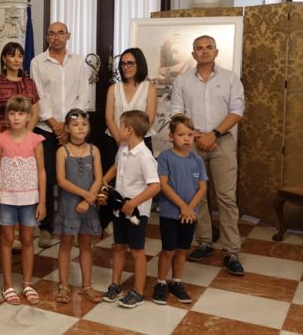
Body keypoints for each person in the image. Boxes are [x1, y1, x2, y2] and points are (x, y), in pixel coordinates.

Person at [171, 35, 245, 276]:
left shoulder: (230, 79)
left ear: (216, 51)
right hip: (191, 144)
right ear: (193, 54)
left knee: (226, 198)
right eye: (199, 49)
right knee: (197, 196)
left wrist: (213, 134)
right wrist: (197, 136)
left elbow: (237, 111)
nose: (204, 52)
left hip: (222, 143)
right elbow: (177, 114)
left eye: (208, 48)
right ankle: (204, 242)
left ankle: (231, 250)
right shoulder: (182, 81)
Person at [30, 22, 89, 248]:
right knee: (46, 179)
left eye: (60, 33)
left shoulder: (78, 62)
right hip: (46, 129)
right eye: (51, 33)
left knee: (73, 180)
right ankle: (46, 228)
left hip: (74, 130)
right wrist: (56, 126)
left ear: (68, 36)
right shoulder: (38, 62)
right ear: (47, 37)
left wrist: (70, 124)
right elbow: (38, 96)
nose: (56, 37)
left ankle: (71, 228)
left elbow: (83, 95)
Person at [0, 96, 46, 306]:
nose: (16, 117)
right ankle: (7, 284)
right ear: (6, 116)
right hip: (6, 198)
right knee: (6, 239)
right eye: (12, 113)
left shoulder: (36, 141)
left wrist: (42, 201)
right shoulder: (0, 140)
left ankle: (28, 283)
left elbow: (42, 172)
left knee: (28, 240)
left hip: (30, 199)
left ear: (29, 116)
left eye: (21, 113)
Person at [100, 110, 160, 308]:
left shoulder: (145, 156)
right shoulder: (123, 149)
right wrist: (104, 180)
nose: (117, 129)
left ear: (129, 130)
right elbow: (116, 167)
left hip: (136, 212)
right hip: (120, 209)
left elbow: (155, 186)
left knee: (137, 250)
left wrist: (133, 203)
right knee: (119, 247)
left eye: (120, 125)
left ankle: (138, 292)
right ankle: (115, 284)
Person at [153, 114, 208, 306]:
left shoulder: (197, 160)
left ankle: (176, 283)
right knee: (168, 250)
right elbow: (164, 185)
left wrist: (189, 208)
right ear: (171, 137)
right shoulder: (165, 157)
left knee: (182, 250)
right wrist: (182, 206)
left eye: (190, 135)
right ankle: (161, 283)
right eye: (181, 134)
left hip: (189, 215)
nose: (186, 139)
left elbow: (202, 187)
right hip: (170, 213)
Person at [54, 109, 103, 304]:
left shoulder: (94, 150)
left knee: (86, 244)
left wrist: (88, 201)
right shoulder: (62, 151)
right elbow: (61, 181)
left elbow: (99, 178)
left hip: (88, 206)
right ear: (67, 128)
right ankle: (64, 286)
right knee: (65, 245)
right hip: (69, 205)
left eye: (84, 124)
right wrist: (85, 195)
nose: (80, 128)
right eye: (75, 125)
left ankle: (87, 286)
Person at [104, 47, 157, 169]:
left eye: (130, 63)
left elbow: (149, 118)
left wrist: (133, 141)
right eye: (122, 63)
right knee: (114, 180)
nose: (125, 67)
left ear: (140, 64)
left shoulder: (149, 88)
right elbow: (109, 118)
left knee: (142, 180)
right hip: (115, 141)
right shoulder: (113, 88)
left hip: (141, 141)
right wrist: (120, 140)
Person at [0, 41, 40, 134]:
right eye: (12, 56)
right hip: (0, 134)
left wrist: (26, 136)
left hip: (25, 136)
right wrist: (1, 139)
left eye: (20, 56)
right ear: (4, 58)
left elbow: (35, 114)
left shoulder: (29, 83)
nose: (17, 60)